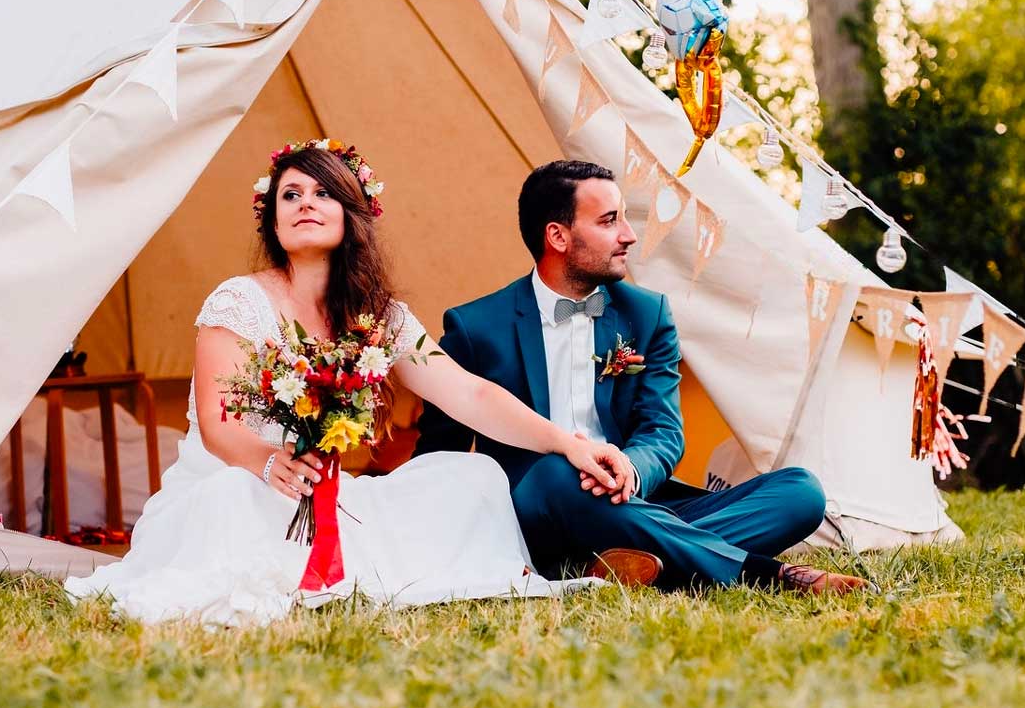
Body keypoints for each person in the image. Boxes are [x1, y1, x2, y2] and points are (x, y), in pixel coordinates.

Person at [64, 141, 623, 627]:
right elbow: (217, 423)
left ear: (351, 212)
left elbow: (469, 393)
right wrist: (267, 461)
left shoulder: (381, 315)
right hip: (241, 478)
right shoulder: (237, 302)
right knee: (235, 504)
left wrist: (568, 442)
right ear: (273, 221)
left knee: (473, 475)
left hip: (331, 494)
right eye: (290, 195)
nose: (305, 202)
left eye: (323, 192)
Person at [415, 160, 867, 593]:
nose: (628, 236)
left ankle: (618, 563)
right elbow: (437, 454)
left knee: (800, 492)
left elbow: (663, 430)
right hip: (535, 510)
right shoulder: (475, 328)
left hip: (630, 503)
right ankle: (762, 573)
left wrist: (630, 469)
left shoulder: (647, 314)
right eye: (610, 221)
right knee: (558, 471)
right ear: (557, 236)